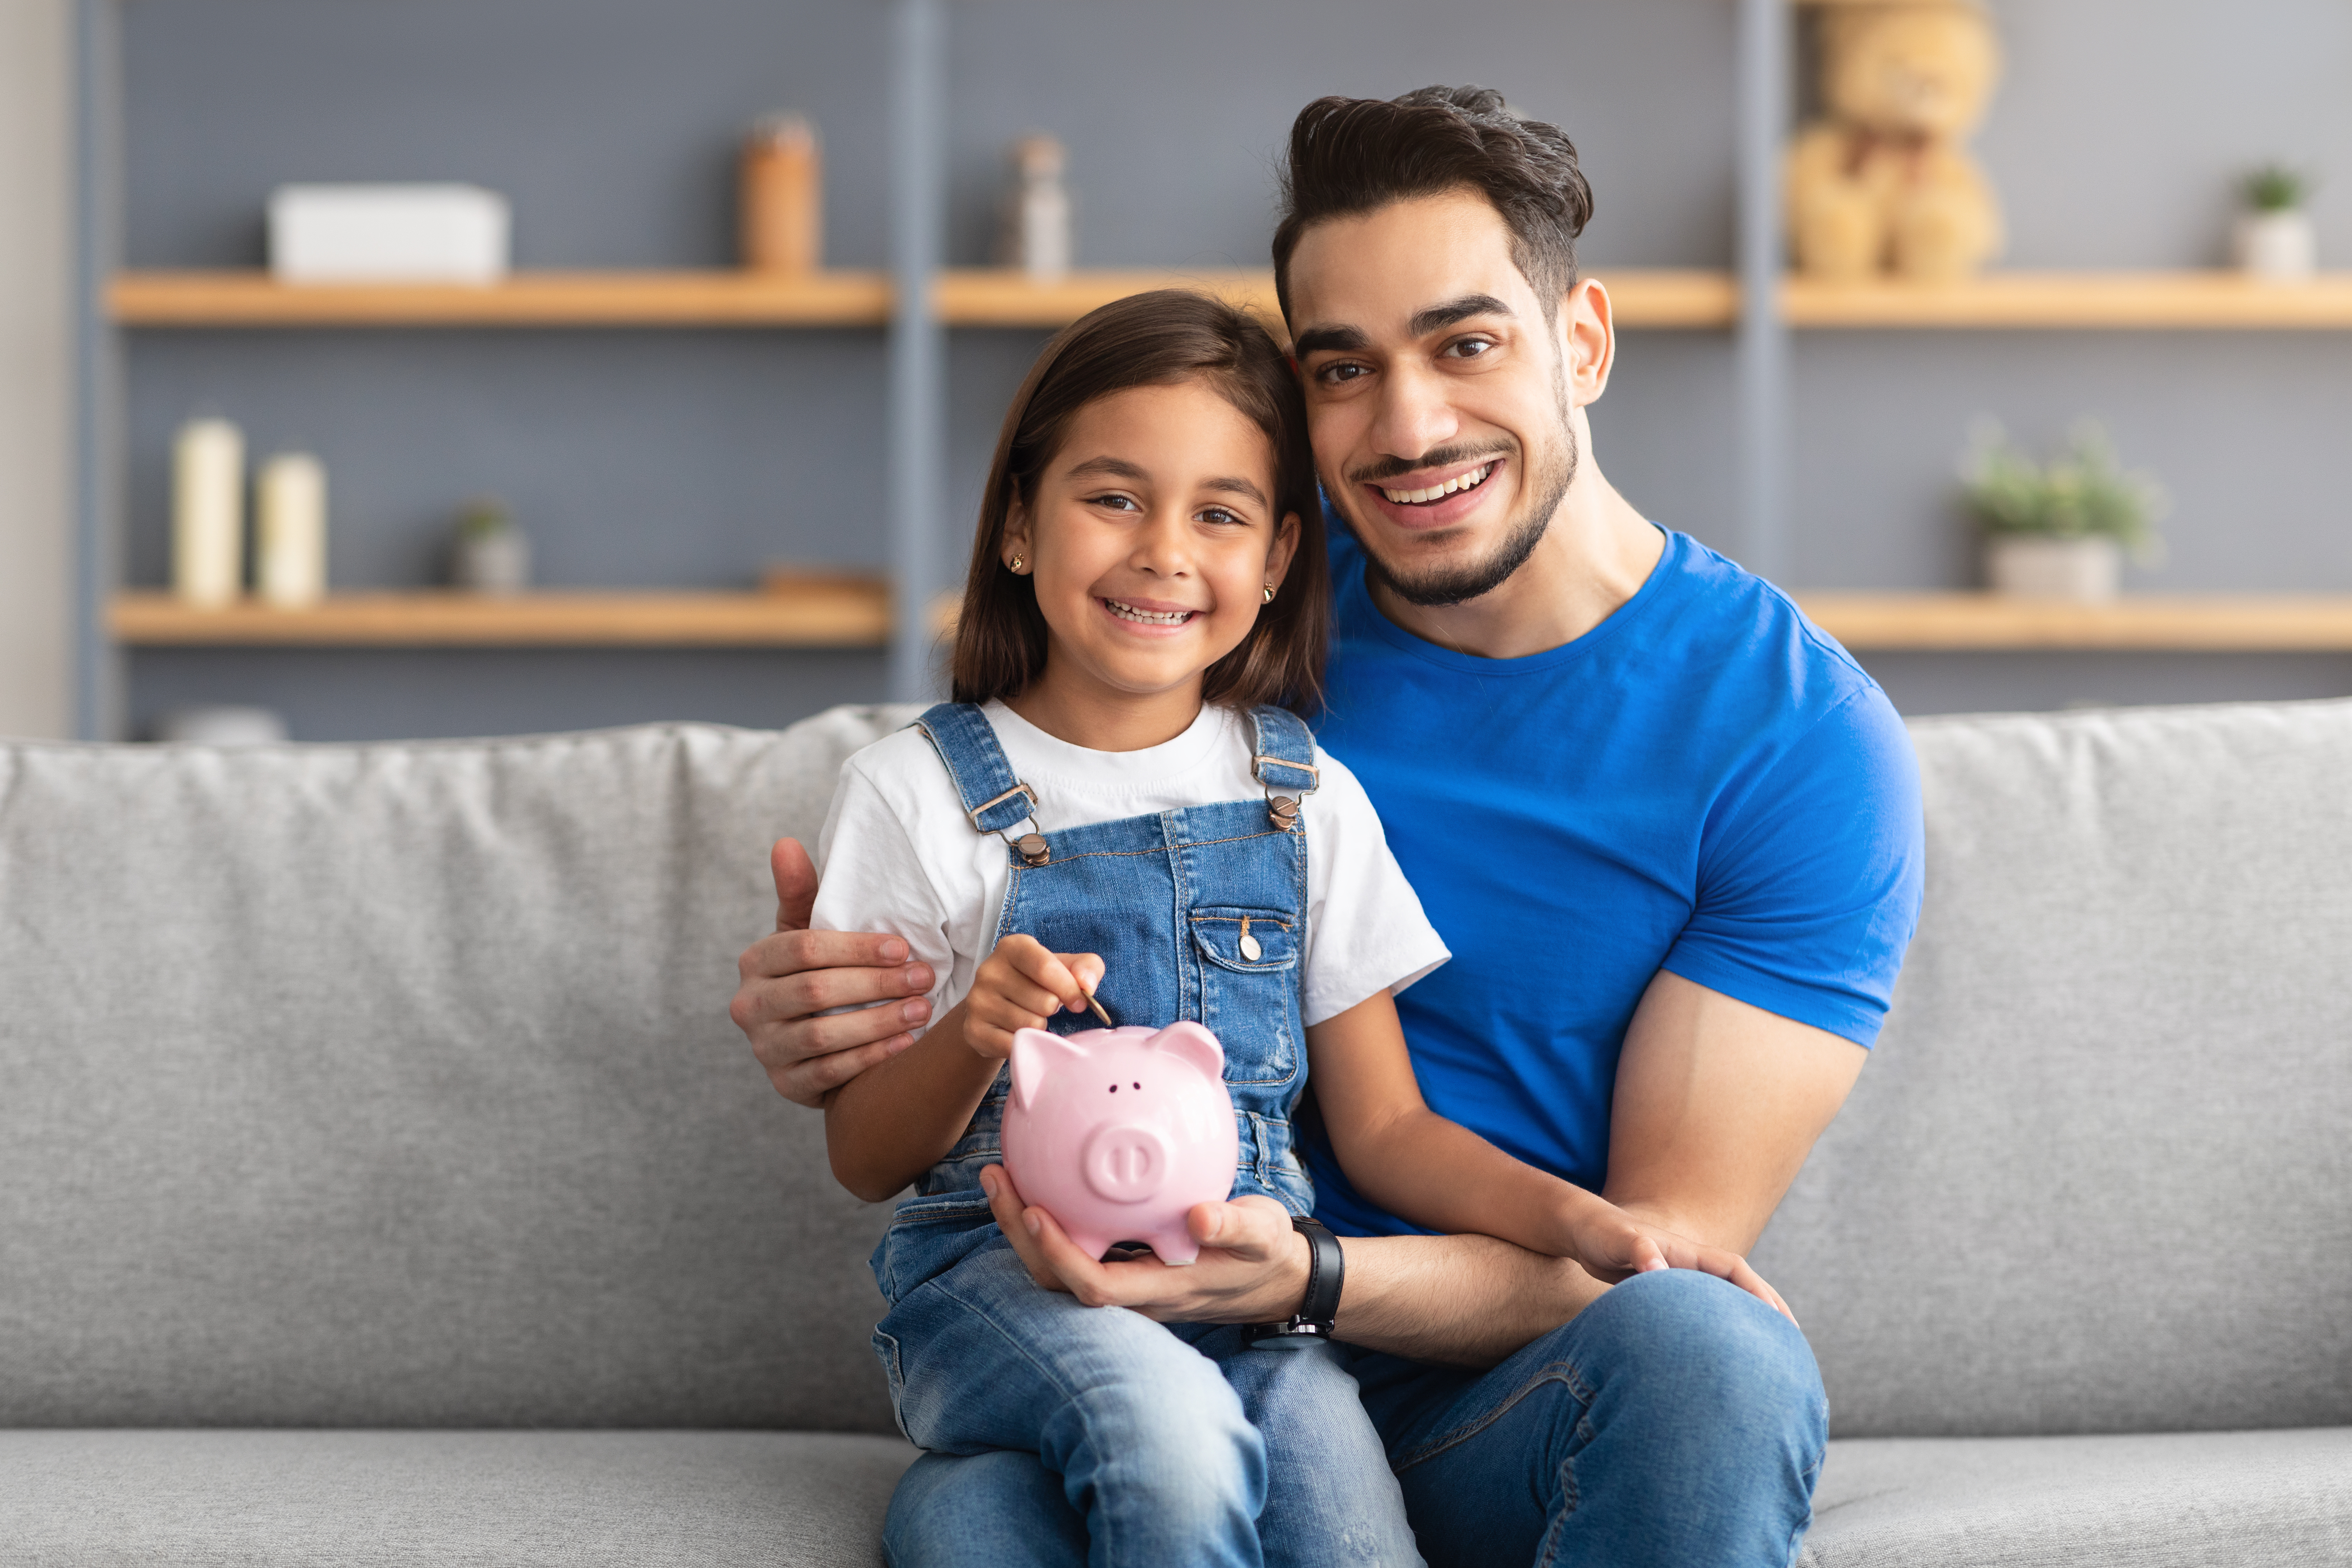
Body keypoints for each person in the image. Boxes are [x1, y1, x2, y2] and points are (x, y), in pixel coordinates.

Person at [734, 88, 1924, 1568]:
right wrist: (849, 1015)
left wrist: (1304, 1280)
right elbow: (1005, 808)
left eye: (1466, 341)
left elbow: (1636, 1262)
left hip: (1474, 1391)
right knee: (972, 1519)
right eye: (1344, 367)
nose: (1408, 424)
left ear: (1584, 342)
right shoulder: (1223, 617)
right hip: (1120, 1344)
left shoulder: (1795, 739)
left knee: (1716, 1354)